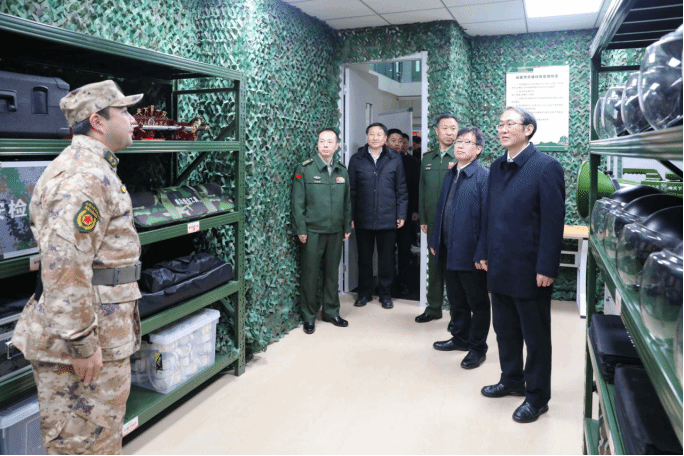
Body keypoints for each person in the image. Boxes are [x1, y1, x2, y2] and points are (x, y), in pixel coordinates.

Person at [10, 80, 143, 454]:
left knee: (98, 440)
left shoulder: (93, 170)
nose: (133, 119)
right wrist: (82, 343)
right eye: (124, 111)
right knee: (84, 444)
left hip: (100, 335)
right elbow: (65, 264)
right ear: (98, 121)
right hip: (82, 347)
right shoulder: (83, 177)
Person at [478, 107, 565, 424]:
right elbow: (489, 214)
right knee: (504, 329)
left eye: (510, 124)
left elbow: (553, 222)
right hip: (499, 264)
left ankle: (538, 397)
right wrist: (483, 250)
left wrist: (547, 267)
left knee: (536, 336)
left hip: (530, 269)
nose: (502, 129)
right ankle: (512, 379)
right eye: (500, 124)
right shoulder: (497, 166)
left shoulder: (546, 167)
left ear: (528, 129)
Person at [429, 127, 490, 369]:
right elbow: (441, 210)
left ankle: (477, 348)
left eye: (467, 142)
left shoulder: (483, 177)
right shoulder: (451, 173)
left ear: (478, 150)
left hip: (471, 253)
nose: (460, 145)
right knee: (456, 299)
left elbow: (488, 220)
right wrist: (435, 240)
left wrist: (482, 252)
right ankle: (460, 338)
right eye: (458, 141)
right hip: (448, 249)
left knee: (478, 304)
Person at [291, 128, 352, 335]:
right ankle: (308, 316)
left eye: (330, 142)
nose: (325, 145)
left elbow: (347, 201)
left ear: (337, 146)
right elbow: (298, 202)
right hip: (312, 231)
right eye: (322, 141)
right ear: (317, 144)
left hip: (335, 231)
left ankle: (331, 312)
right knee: (310, 275)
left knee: (332, 274)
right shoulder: (305, 169)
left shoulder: (342, 170)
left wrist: (346, 225)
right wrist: (301, 228)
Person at [348, 123, 408, 310]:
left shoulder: (394, 159)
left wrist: (401, 213)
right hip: (363, 217)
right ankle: (364, 293)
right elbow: (350, 191)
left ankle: (385, 294)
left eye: (379, 134)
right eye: (371, 134)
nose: (375, 138)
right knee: (364, 259)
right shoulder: (356, 159)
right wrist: (350, 216)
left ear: (385, 138)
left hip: (387, 217)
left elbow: (401, 189)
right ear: (367, 137)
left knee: (386, 260)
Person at [416, 114, 459, 325]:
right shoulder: (427, 158)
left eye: (453, 128)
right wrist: (423, 218)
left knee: (454, 270)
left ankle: (456, 315)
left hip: (455, 223)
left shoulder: (461, 156)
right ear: (436, 131)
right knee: (434, 268)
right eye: (445, 128)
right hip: (432, 222)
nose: (449, 132)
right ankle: (433, 308)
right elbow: (422, 190)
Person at [387, 129, 419, 296]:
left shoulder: (411, 162)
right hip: (386, 213)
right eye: (394, 140)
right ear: (386, 142)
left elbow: (415, 187)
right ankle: (389, 283)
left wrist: (415, 210)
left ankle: (404, 282)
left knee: (404, 249)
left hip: (406, 213)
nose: (398, 144)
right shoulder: (382, 160)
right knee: (387, 251)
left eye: (400, 141)